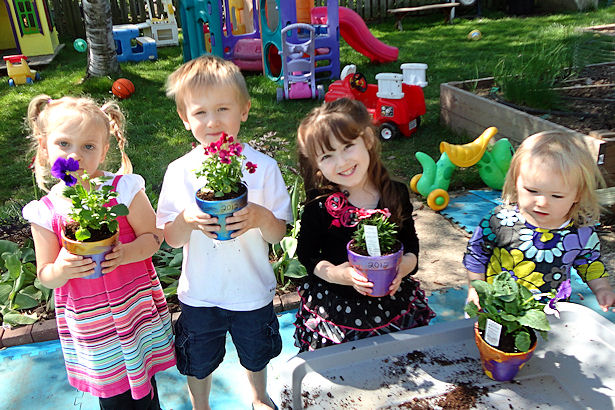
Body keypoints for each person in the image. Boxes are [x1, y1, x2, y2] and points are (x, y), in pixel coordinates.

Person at [22, 95, 176, 409]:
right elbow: (45, 275)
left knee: (147, 391)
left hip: (133, 311)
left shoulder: (123, 190)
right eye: (64, 144)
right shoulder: (45, 211)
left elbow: (153, 237)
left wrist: (129, 252)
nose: (75, 156)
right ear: (44, 146)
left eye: (88, 147)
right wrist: (62, 269)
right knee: (115, 399)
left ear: (105, 151)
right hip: (92, 324)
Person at [158, 55, 292, 410]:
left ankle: (258, 396)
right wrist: (186, 219)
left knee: (255, 353)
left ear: (244, 110)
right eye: (200, 113)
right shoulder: (180, 171)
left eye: (223, 109)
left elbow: (278, 233)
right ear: (185, 119)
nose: (213, 121)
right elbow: (170, 238)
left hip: (250, 290)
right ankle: (201, 405)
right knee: (197, 360)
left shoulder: (262, 168)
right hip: (200, 293)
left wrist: (261, 216)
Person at [293, 98, 435, 352]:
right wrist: (338, 274)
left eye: (347, 147)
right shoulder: (319, 208)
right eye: (327, 155)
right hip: (337, 306)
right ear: (316, 164)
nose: (341, 162)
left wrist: (404, 267)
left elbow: (410, 243)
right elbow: (307, 255)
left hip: (392, 302)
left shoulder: (395, 194)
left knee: (397, 363)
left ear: (367, 140)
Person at [464, 131, 615, 312]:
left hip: (550, 311)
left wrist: (602, 288)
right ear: (515, 183)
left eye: (557, 195)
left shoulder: (580, 230)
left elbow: (589, 262)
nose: (542, 202)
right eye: (532, 190)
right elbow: (476, 254)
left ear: (578, 195)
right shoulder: (499, 221)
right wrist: (475, 288)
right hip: (499, 308)